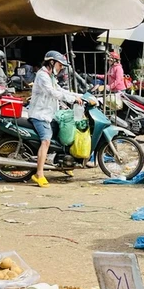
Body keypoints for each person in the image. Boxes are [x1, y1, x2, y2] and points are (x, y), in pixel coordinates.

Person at [27, 50, 85, 188]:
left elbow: (61, 90)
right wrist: (73, 99)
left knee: (61, 135)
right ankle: (39, 174)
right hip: (39, 115)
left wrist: (81, 96)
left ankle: (64, 165)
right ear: (52, 62)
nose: (61, 69)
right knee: (46, 141)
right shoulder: (42, 76)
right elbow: (53, 93)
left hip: (49, 114)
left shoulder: (50, 76)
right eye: (60, 65)